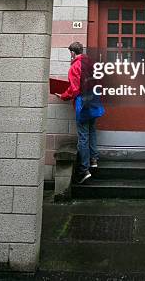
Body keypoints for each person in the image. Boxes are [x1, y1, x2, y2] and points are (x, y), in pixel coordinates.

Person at [55, 41, 99, 183]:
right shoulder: (91, 63)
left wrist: (63, 96)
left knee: (83, 136)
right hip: (94, 100)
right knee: (92, 130)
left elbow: (74, 90)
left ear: (73, 53)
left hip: (83, 103)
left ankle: (84, 170)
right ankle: (94, 159)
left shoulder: (75, 67)